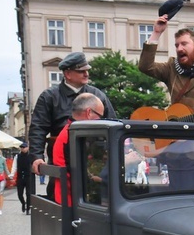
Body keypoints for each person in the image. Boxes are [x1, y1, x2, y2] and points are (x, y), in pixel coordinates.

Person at [28, 52, 116, 196]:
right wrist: (37, 156)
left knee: (96, 195)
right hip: (61, 158)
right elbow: (38, 128)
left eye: (87, 70)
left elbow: (112, 124)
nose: (86, 74)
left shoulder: (98, 95)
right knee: (59, 194)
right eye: (81, 71)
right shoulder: (49, 96)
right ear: (68, 74)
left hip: (94, 157)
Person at [52, 93, 106, 204]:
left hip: (71, 198)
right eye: (100, 116)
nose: (101, 120)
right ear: (89, 113)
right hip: (73, 202)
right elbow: (78, 175)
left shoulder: (71, 132)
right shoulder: (73, 137)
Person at [10, 142, 35, 215]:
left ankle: (28, 208)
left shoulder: (31, 156)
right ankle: (23, 203)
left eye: (24, 147)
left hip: (28, 177)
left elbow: (33, 165)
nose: (22, 148)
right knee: (20, 194)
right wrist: (12, 174)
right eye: (21, 147)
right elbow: (14, 166)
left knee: (28, 194)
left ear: (27, 148)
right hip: (20, 177)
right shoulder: (17, 156)